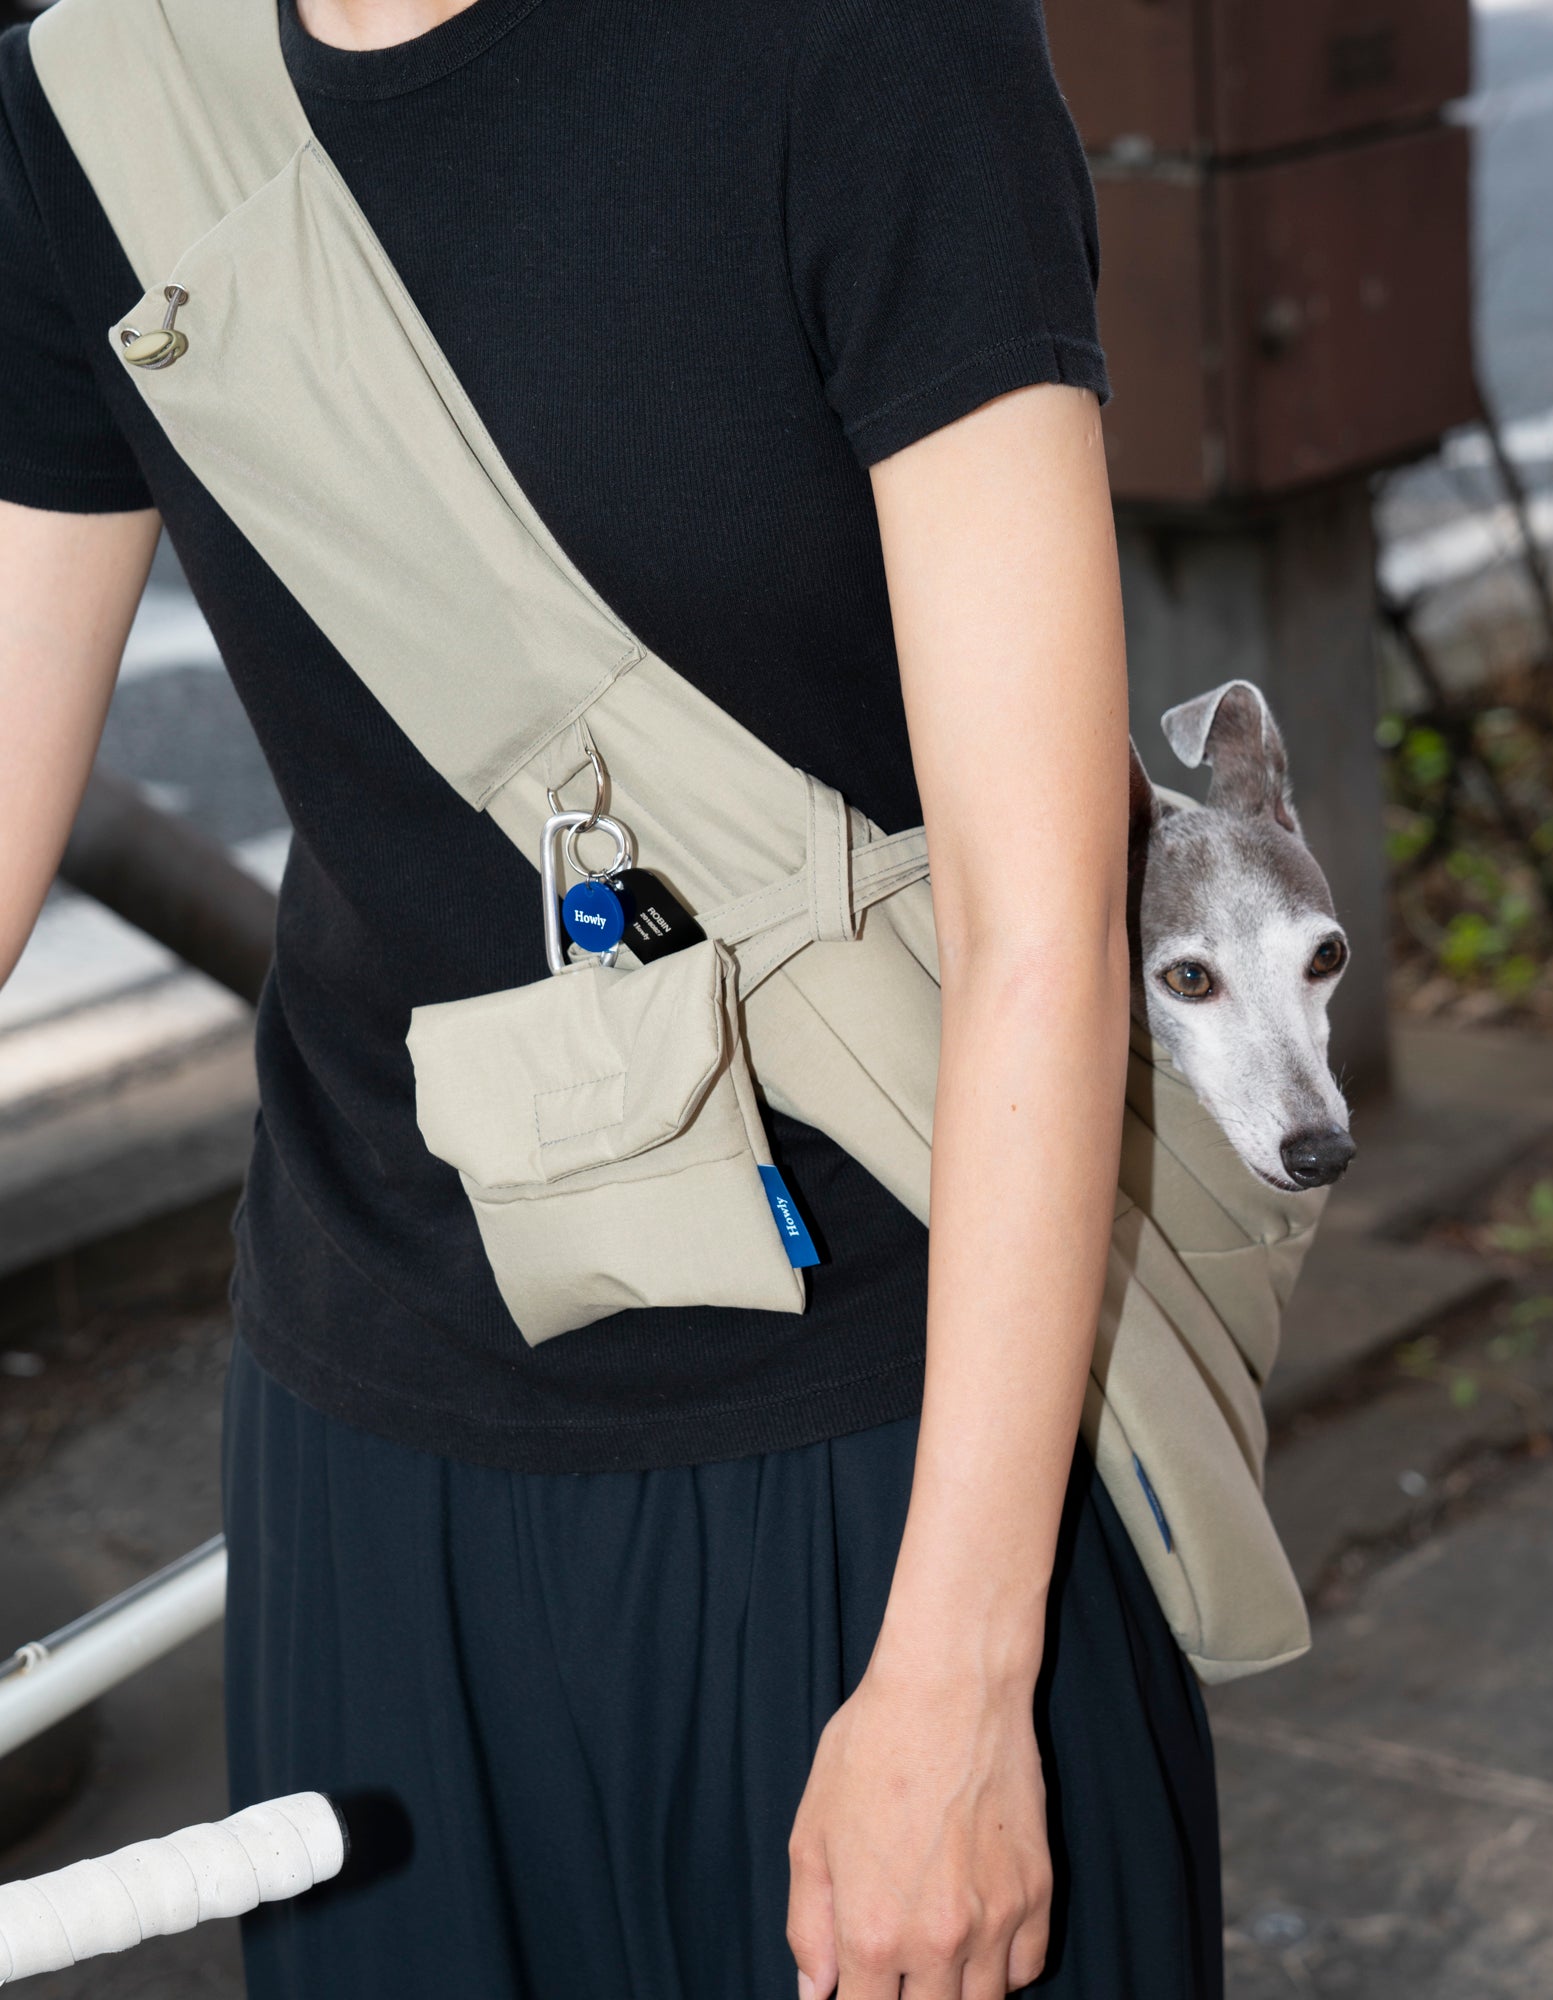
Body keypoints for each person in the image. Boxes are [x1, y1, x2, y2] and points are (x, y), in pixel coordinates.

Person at [0, 0, 1222, 1992]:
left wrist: (955, 1678)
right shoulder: (102, 90)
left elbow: (1042, 916)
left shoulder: (863, 48)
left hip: (890, 1432)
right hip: (369, 1435)